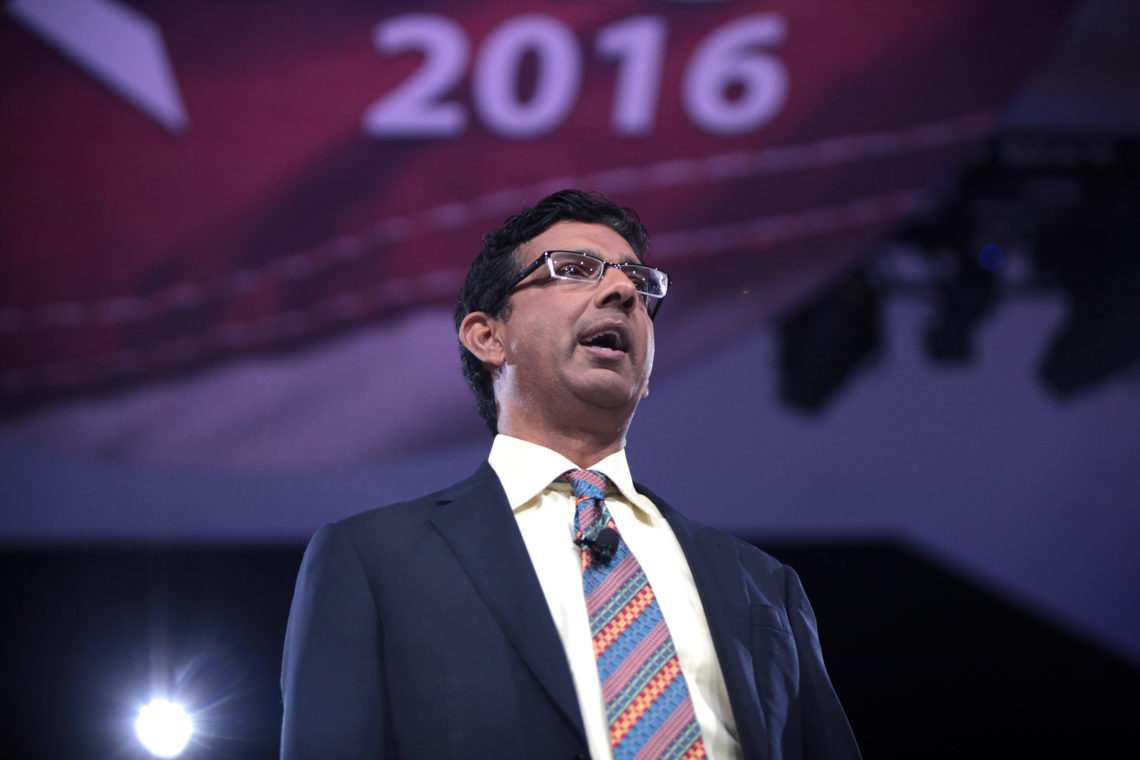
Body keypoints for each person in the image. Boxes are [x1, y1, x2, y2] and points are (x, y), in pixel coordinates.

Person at [280, 189, 861, 760]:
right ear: (489, 336)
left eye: (638, 283)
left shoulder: (763, 584)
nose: (621, 291)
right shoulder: (373, 560)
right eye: (577, 269)